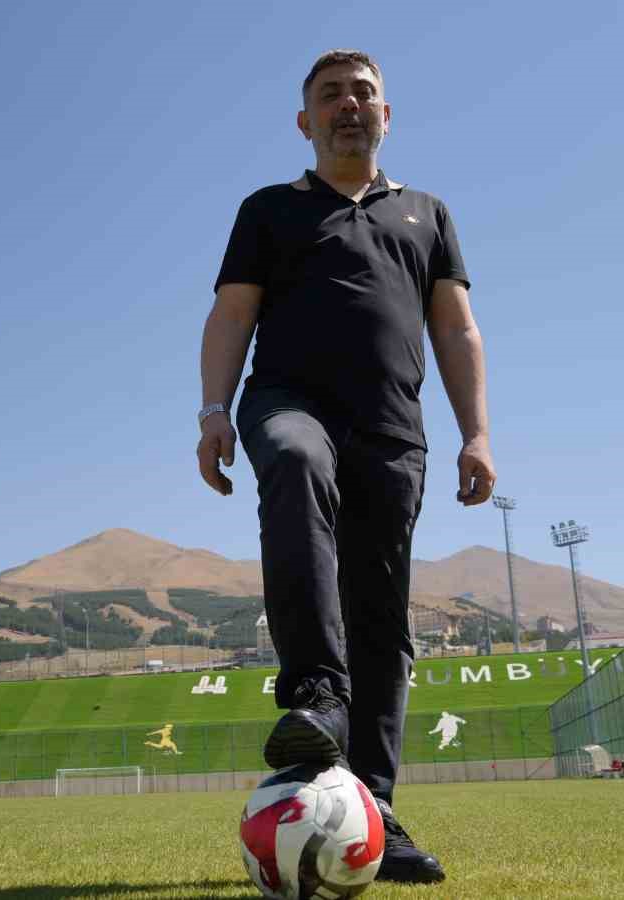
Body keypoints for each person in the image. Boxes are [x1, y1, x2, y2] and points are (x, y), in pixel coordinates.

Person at [197, 49, 494, 885]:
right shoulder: (268, 209)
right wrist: (214, 411)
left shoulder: (427, 214)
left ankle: (375, 811)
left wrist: (476, 433)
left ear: (386, 116)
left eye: (364, 93)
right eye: (331, 95)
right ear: (306, 121)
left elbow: (456, 329)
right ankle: (315, 697)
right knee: (295, 461)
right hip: (287, 401)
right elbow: (232, 314)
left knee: (381, 613)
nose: (349, 105)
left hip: (394, 429)